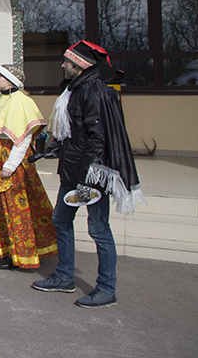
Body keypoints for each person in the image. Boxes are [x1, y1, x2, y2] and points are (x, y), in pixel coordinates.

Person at [32, 41, 145, 308]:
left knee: (97, 228)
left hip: (88, 177)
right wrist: (56, 147)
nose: (62, 65)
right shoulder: (75, 89)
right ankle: (64, 277)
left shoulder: (94, 91)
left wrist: (87, 180)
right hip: (72, 172)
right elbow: (76, 130)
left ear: (80, 65)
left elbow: (98, 140)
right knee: (60, 220)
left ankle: (107, 289)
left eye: (66, 62)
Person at [0, 64, 57, 269]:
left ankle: (22, 255)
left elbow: (24, 137)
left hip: (10, 159)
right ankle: (5, 251)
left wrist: (11, 164)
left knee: (16, 206)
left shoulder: (23, 101)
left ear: (9, 79)